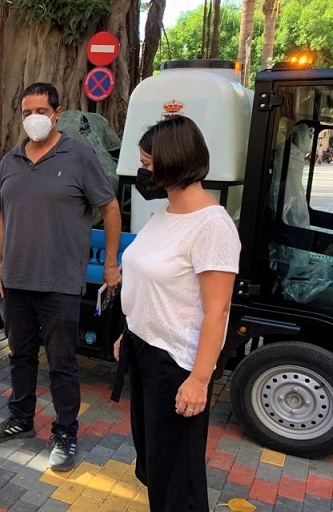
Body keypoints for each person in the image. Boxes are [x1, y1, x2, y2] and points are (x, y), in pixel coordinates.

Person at [0, 82, 122, 473]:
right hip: (17, 280)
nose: (33, 119)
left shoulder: (78, 155)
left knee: (61, 363)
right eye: (26, 112)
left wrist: (110, 265)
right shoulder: (10, 160)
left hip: (60, 282)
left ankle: (65, 433)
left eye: (40, 111)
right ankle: (20, 419)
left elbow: (109, 208)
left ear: (57, 114)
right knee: (20, 355)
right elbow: (0, 213)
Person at [113, 116, 240, 511]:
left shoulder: (212, 226)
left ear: (173, 163)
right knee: (155, 465)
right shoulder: (163, 217)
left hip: (177, 366)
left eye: (148, 164)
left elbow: (217, 311)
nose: (143, 172)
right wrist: (129, 331)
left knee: (178, 480)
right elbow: (150, 284)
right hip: (144, 352)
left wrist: (200, 380)